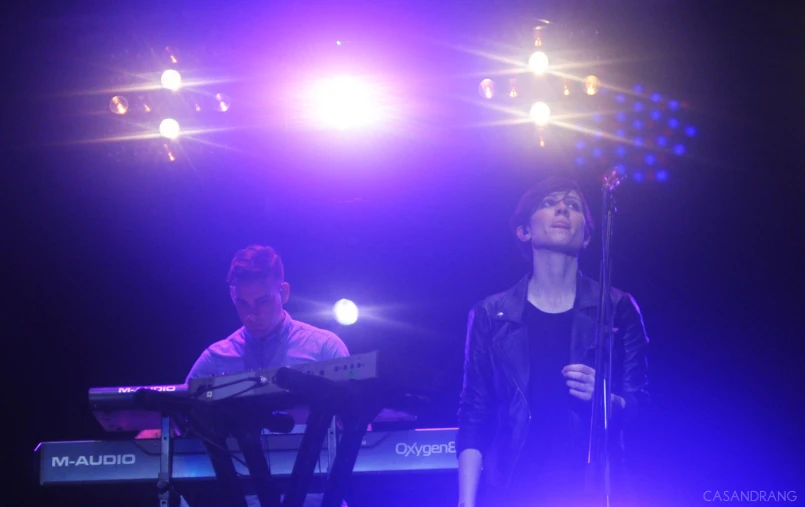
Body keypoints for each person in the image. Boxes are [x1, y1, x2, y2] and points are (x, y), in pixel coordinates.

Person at [456, 177, 650, 506]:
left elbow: (641, 403)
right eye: (548, 203)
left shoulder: (616, 307)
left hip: (590, 489)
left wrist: (605, 399)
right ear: (524, 231)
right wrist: (466, 501)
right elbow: (475, 412)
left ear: (587, 235)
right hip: (513, 489)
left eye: (573, 206)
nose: (562, 208)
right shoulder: (491, 314)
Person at [140, 245, 349, 507]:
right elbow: (181, 418)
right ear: (232, 295)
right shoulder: (216, 358)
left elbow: (355, 425)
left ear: (283, 292)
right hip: (238, 497)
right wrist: (156, 432)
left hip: (318, 497)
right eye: (242, 303)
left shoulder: (325, 348)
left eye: (262, 301)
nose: (252, 314)